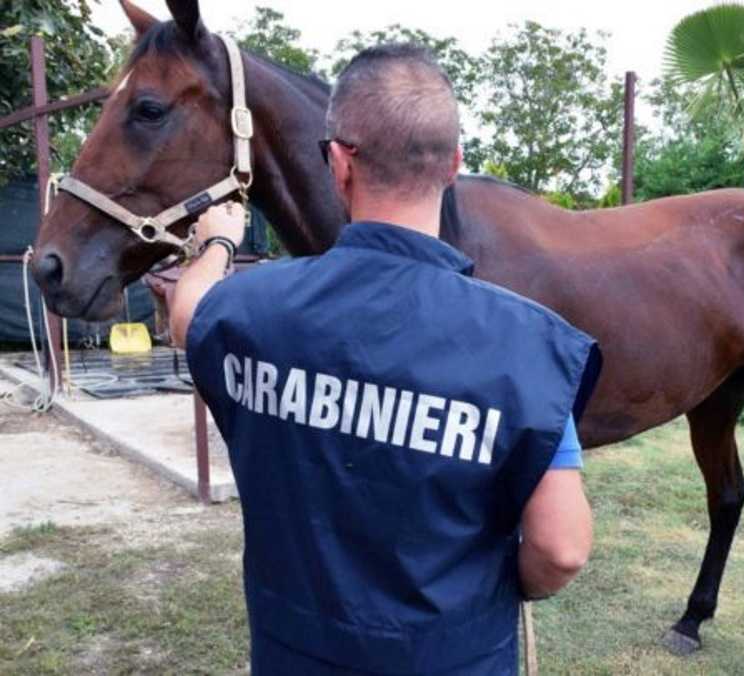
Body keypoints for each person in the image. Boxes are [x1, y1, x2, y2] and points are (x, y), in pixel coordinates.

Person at [169, 44, 602, 675]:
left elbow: (189, 314)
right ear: (454, 165)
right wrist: (502, 589)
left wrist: (214, 243)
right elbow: (561, 549)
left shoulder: (251, 310)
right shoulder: (524, 346)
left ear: (338, 163)